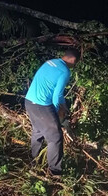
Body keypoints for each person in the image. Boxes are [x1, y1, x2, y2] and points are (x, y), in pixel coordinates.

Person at [25, 48, 80, 178]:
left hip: (29, 101)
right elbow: (57, 96)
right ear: (73, 60)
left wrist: (64, 107)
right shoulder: (65, 71)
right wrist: (56, 115)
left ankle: (34, 162)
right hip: (42, 106)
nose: (73, 67)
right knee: (55, 137)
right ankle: (55, 172)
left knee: (38, 131)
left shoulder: (50, 62)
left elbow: (58, 95)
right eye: (75, 64)